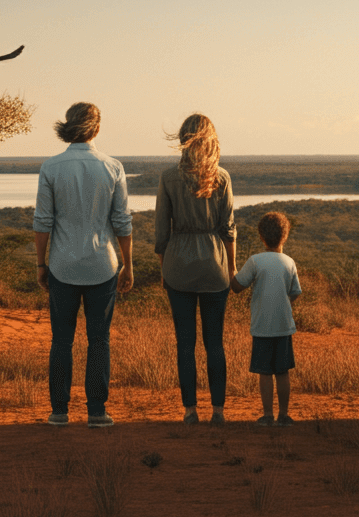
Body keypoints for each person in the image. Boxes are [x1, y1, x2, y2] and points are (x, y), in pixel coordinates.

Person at [33, 102, 133, 428]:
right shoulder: (113, 167)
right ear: (97, 128)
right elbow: (122, 222)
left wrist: (40, 264)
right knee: (99, 339)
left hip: (62, 264)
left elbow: (43, 222)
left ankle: (59, 411)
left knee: (61, 340)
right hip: (103, 266)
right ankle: (97, 412)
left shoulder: (51, 167)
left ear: (68, 126)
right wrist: (128, 264)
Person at [155, 113, 236, 425]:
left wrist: (165, 268)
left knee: (185, 342)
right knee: (215, 342)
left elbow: (162, 231)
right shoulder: (223, 177)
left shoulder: (168, 178)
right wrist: (231, 268)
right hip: (215, 265)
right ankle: (218, 411)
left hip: (178, 265)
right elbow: (228, 229)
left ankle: (190, 410)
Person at [231, 212, 302, 427]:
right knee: (282, 372)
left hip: (262, 327)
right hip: (283, 326)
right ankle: (284, 414)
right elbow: (296, 291)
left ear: (261, 237)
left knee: (264, 372)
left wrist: (232, 269)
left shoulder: (255, 261)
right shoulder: (289, 262)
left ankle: (268, 415)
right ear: (285, 236)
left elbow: (237, 287)